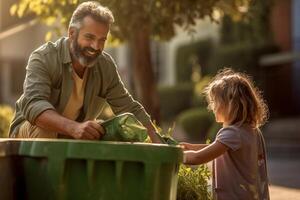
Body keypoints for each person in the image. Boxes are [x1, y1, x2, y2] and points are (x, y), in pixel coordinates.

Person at [9, 1, 160, 142]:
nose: (95, 46)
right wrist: (73, 127)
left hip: (73, 135)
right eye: (89, 37)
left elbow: (130, 107)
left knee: (116, 131)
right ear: (72, 33)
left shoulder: (105, 66)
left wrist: (165, 146)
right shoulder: (43, 57)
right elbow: (33, 105)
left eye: (102, 40)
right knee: (45, 130)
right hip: (28, 133)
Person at [181, 68, 270, 200]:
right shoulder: (251, 130)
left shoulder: (232, 133)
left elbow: (198, 158)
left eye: (214, 102)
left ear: (231, 105)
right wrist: (192, 147)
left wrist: (174, 154)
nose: (211, 107)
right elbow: (219, 150)